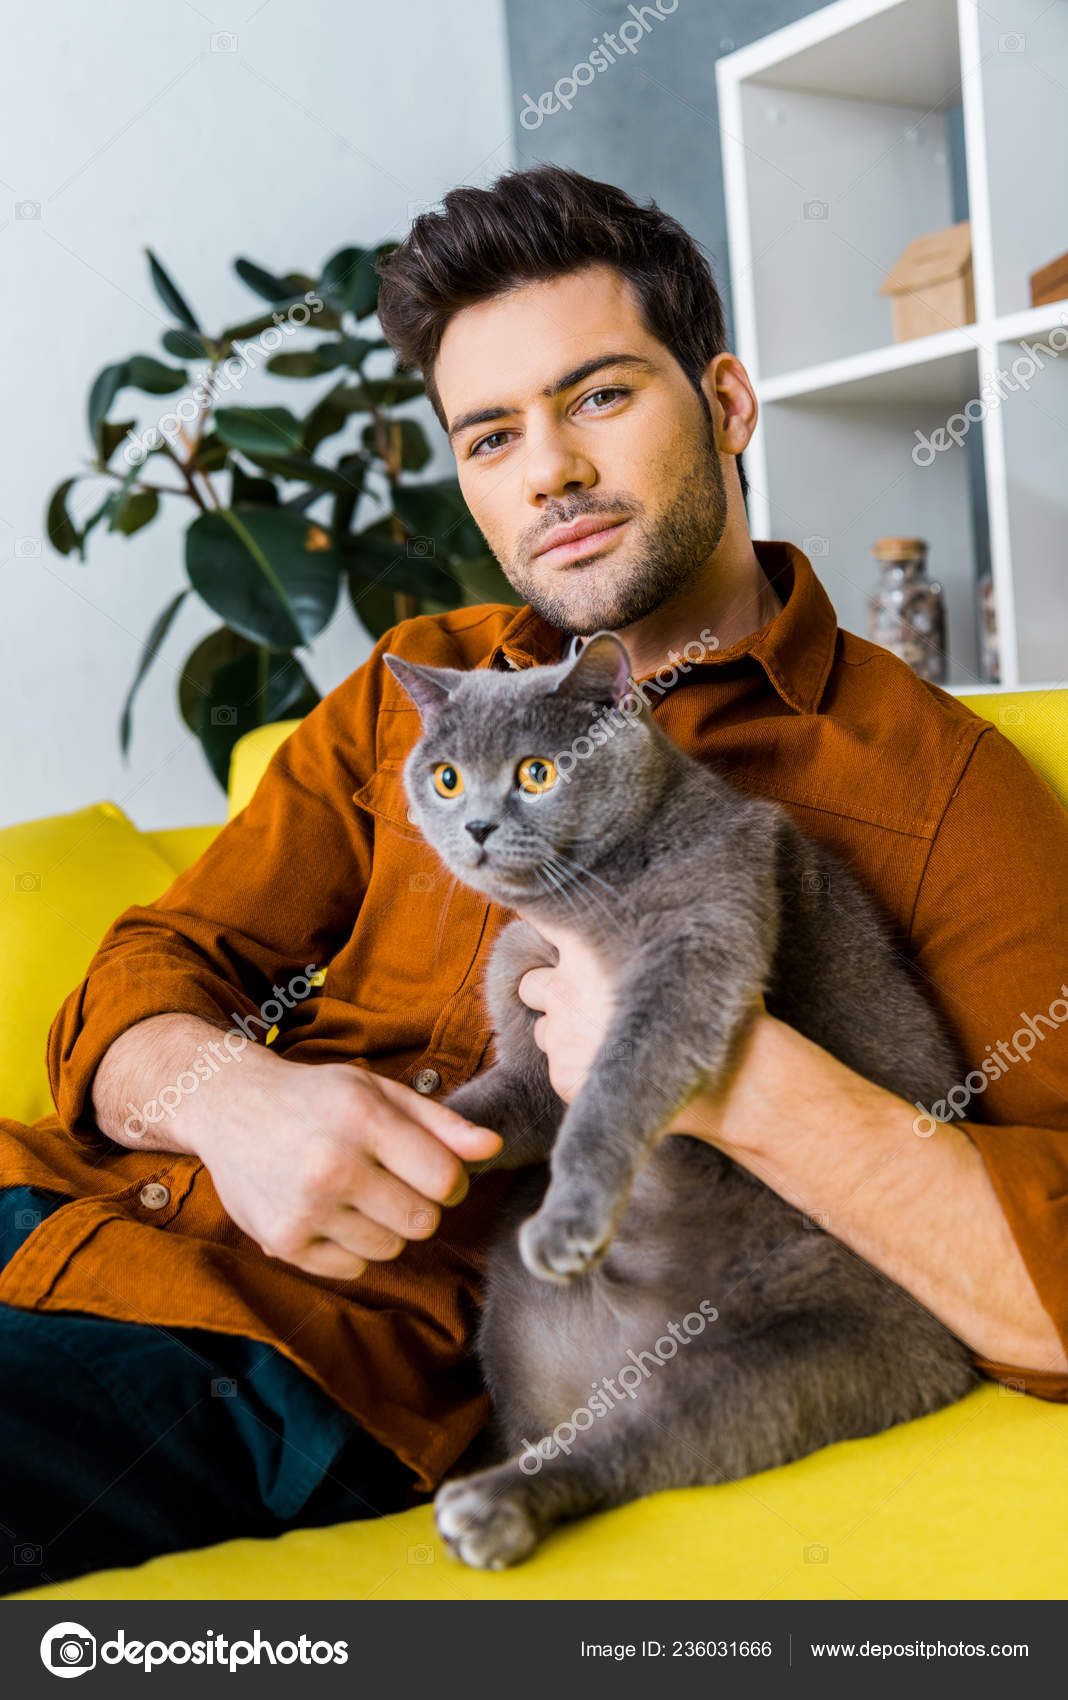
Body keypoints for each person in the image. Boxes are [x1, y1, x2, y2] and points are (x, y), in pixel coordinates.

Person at [2, 165, 1066, 1596]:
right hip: (49, 1191)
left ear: (730, 405)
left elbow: (1047, 1270)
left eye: (602, 398)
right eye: (492, 435)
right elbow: (152, 971)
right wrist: (228, 1098)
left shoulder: (930, 787)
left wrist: (733, 1072)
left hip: (262, 1346)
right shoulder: (413, 695)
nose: (547, 469)